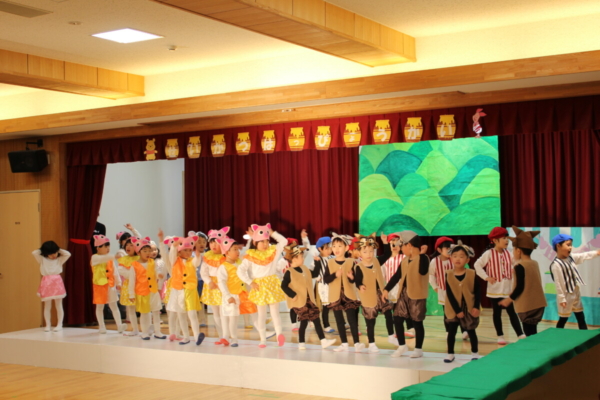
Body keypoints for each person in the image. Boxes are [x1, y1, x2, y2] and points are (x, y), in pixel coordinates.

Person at [237, 223, 287, 348]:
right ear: (255, 243)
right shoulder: (251, 256)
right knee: (262, 314)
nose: (265, 244)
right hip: (259, 287)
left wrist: (272, 232)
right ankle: (263, 339)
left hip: (272, 284)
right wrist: (250, 282)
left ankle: (279, 335)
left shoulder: (273, 251)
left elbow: (284, 241)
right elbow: (240, 270)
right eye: (262, 241)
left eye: (267, 241)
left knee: (275, 312)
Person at [281, 242, 337, 350]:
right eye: (301, 257)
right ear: (294, 259)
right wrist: (292, 295)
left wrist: (317, 263)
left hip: (309, 300)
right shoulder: (289, 272)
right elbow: (283, 286)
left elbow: (315, 274)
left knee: (316, 319)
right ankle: (301, 342)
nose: (303, 259)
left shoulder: (304, 268)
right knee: (304, 322)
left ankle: (323, 341)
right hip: (300, 301)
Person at [382, 230, 429, 358]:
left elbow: (423, 271)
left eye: (402, 245)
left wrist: (421, 254)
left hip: (417, 296)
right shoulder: (404, 260)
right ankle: (402, 346)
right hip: (403, 294)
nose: (401, 248)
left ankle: (418, 349)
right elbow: (397, 276)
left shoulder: (423, 258)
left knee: (417, 322)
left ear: (409, 245)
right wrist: (386, 289)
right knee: (397, 319)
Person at [474, 227, 524, 344]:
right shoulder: (489, 253)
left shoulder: (509, 254)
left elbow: (516, 264)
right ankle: (500, 335)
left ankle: (520, 334)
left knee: (512, 312)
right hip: (495, 290)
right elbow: (477, 265)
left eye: (507, 238)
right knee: (497, 313)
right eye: (504, 238)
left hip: (507, 289)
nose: (506, 240)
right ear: (495, 240)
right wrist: (486, 277)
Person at [159, 230, 205, 346]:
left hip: (190, 290)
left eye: (190, 250)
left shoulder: (192, 261)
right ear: (179, 252)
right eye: (185, 250)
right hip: (177, 290)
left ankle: (197, 336)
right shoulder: (175, 261)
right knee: (181, 315)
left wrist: (197, 252)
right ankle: (186, 337)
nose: (188, 252)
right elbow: (170, 254)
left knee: (192, 314)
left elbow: (197, 261)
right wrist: (173, 246)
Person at [499, 227, 547, 336]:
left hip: (527, 305)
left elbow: (520, 286)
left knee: (529, 332)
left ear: (518, 251)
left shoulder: (520, 266)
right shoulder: (534, 263)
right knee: (533, 331)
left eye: (513, 250)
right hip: (539, 304)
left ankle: (532, 347)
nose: (513, 252)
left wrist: (509, 299)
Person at [353, 233, 394, 353]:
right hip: (368, 296)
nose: (369, 254)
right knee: (370, 322)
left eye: (371, 251)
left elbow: (387, 254)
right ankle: (371, 343)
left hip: (380, 293)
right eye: (365, 252)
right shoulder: (359, 267)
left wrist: (385, 242)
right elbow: (357, 280)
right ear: (359, 253)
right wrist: (360, 286)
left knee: (388, 313)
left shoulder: (376, 261)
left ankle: (391, 335)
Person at [550, 233, 600, 330]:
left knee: (580, 316)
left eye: (571, 245)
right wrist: (562, 298)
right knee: (563, 318)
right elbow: (558, 283)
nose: (570, 247)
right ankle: (557, 334)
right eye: (568, 245)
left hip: (575, 291)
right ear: (558, 246)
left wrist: (596, 253)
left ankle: (585, 334)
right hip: (566, 295)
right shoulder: (556, 265)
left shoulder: (571, 258)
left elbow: (583, 256)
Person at [443, 241, 481, 363]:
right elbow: (449, 294)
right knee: (452, 332)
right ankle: (450, 354)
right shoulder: (448, 274)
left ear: (467, 260)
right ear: (451, 258)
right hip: (454, 308)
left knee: (471, 330)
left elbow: (477, 291)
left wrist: (476, 307)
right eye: (454, 256)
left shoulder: (472, 273)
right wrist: (457, 310)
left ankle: (475, 352)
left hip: (468, 307)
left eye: (461, 256)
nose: (457, 259)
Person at [324, 233, 362, 352]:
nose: (336, 249)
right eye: (334, 246)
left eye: (340, 246)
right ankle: (344, 344)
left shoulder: (351, 262)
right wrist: (334, 275)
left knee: (352, 320)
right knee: (339, 321)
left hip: (348, 295)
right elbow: (326, 279)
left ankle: (356, 343)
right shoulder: (330, 263)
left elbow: (355, 280)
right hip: (335, 296)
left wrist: (351, 277)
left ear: (346, 248)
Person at [128, 237, 166, 340]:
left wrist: (159, 275)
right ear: (138, 252)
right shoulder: (134, 265)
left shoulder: (152, 262)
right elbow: (132, 281)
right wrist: (131, 294)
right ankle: (144, 332)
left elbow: (156, 272)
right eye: (145, 251)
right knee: (144, 313)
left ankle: (157, 332)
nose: (148, 253)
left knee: (156, 312)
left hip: (153, 291)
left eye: (149, 250)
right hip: (142, 292)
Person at [32, 241, 71, 332]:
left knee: (59, 304)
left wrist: (57, 249)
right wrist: (44, 250)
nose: (54, 255)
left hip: (57, 282)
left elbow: (68, 254)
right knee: (47, 305)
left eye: (55, 252)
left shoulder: (59, 259)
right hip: (46, 282)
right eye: (51, 253)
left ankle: (59, 324)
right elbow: (34, 253)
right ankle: (48, 325)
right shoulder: (42, 259)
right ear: (46, 253)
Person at [91, 235, 126, 334]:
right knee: (100, 307)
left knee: (114, 306)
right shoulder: (94, 257)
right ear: (98, 248)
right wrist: (114, 256)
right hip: (99, 286)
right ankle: (102, 326)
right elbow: (103, 259)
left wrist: (119, 283)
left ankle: (119, 325)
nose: (108, 249)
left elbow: (115, 272)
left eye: (108, 246)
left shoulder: (110, 259)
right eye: (105, 246)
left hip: (110, 285)